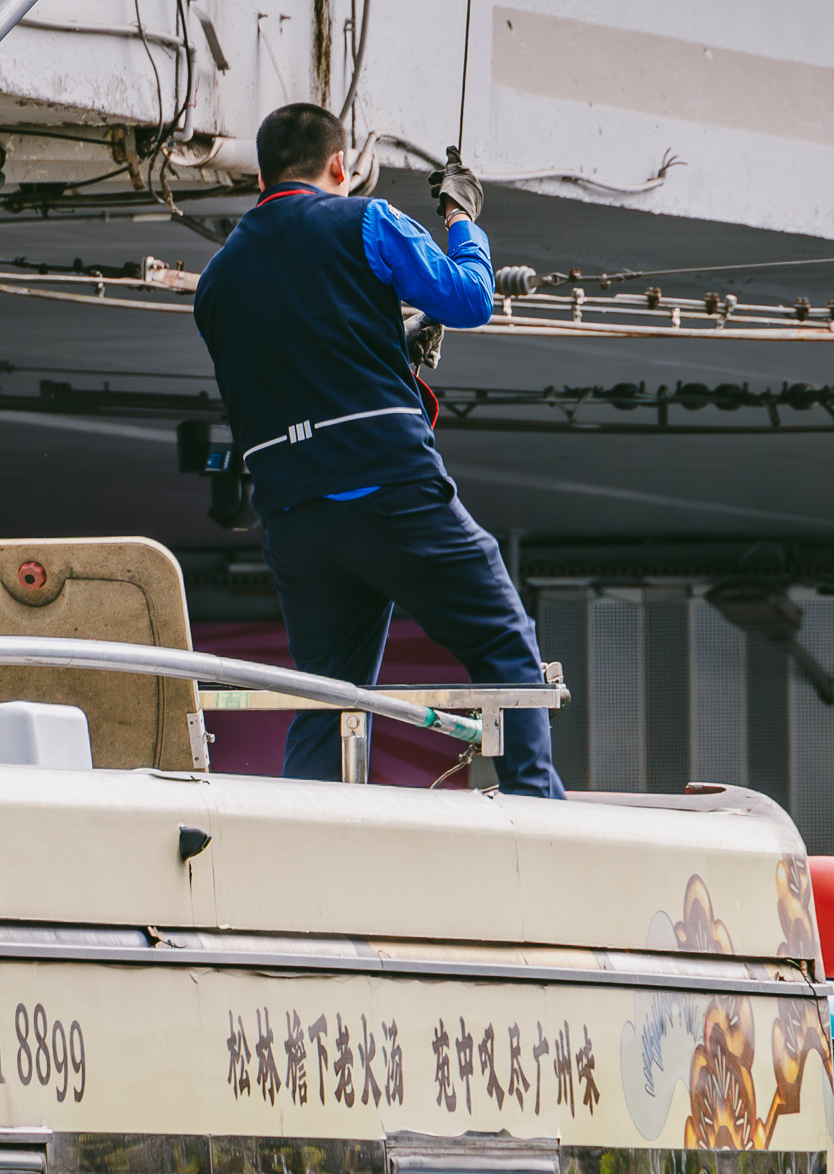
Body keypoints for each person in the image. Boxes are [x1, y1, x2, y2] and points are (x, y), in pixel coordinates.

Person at [191, 101, 562, 796]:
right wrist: (461, 219)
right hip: (389, 492)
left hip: (295, 518)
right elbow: (471, 298)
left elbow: (300, 364)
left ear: (263, 175)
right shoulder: (366, 220)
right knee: (504, 643)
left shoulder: (217, 280)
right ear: (341, 166)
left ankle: (304, 839)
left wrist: (392, 345)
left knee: (328, 695)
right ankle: (537, 810)